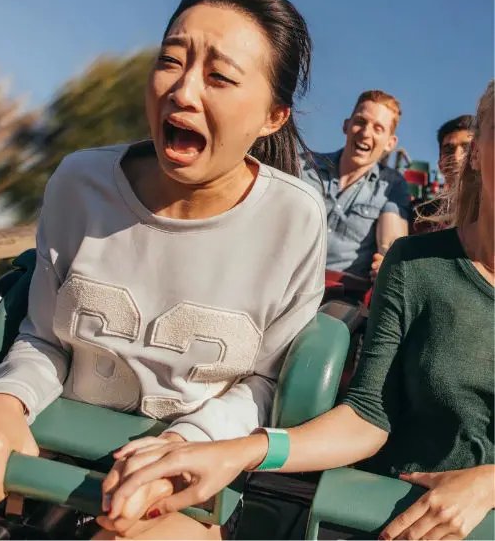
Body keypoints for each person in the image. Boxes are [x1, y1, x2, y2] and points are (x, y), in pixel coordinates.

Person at [0, 0, 327, 540]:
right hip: (47, 436)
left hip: (185, 476)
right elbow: (44, 336)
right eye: (172, 61)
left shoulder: (294, 221)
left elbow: (263, 384)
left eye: (220, 77)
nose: (184, 92)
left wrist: (182, 446)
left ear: (274, 117)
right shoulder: (80, 182)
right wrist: (2, 398)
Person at [110, 81, 494, 541]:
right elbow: (370, 415)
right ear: (477, 152)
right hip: (392, 517)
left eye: (379, 128)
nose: (365, 133)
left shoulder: (389, 192)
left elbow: (387, 232)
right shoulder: (416, 265)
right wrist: (238, 453)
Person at [300, 90, 410, 281]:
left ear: (390, 143)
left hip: (340, 297)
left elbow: (391, 245)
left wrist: (387, 263)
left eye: (378, 128)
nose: (366, 133)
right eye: (360, 121)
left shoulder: (392, 186)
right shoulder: (303, 165)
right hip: (282, 280)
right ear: (346, 125)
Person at [412, 115, 474, 234]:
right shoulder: (421, 216)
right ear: (440, 164)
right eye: (449, 149)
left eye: (467, 148)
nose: (456, 157)